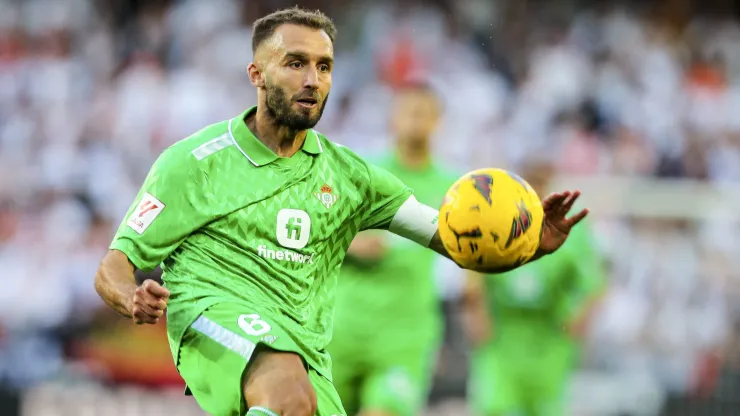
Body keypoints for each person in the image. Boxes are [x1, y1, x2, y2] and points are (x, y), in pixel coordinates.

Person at [94, 7, 588, 416]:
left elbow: (449, 238)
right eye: (295, 63)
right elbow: (114, 266)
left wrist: (526, 248)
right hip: (212, 314)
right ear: (256, 74)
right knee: (288, 395)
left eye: (324, 67)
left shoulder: (351, 176)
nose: (312, 80)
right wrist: (131, 297)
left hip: (306, 349)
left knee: (296, 396)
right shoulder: (192, 163)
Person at [327, 83, 458, 416]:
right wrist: (351, 243)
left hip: (405, 336)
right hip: (341, 329)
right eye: (409, 112)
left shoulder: (454, 189)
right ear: (393, 119)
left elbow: (477, 248)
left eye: (425, 113)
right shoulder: (363, 174)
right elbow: (314, 232)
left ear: (439, 122)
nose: (417, 121)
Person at [461, 159, 606, 416]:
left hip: (548, 342)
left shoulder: (570, 231)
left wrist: (579, 322)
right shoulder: (498, 221)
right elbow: (474, 268)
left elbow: (594, 282)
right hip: (503, 340)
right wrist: (476, 312)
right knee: (496, 407)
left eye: (541, 184)